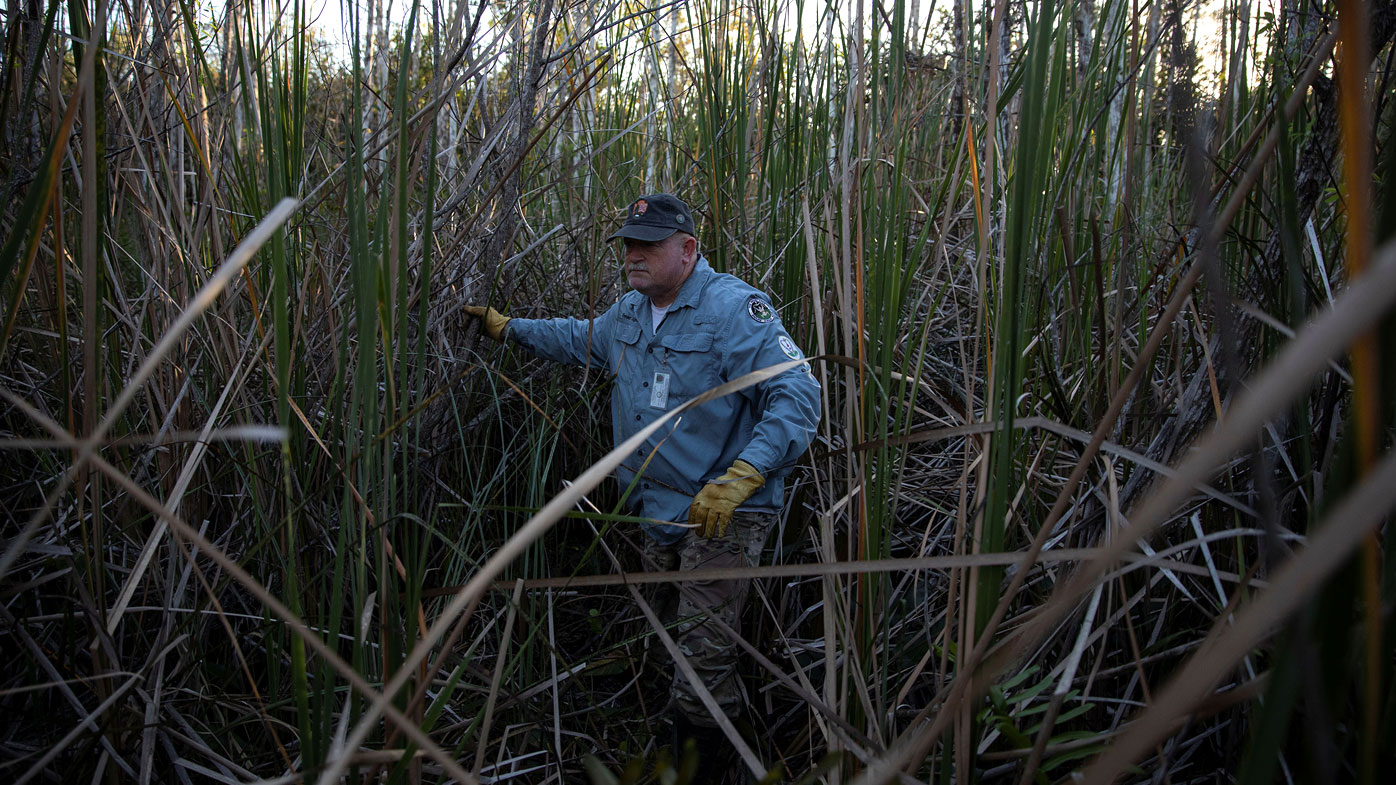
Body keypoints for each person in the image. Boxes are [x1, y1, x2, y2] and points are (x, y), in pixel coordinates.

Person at [465, 193, 820, 782]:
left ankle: (707, 772)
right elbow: (580, 339)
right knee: (664, 645)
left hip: (719, 514)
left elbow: (797, 394)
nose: (633, 254)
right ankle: (668, 755)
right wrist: (509, 329)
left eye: (649, 244)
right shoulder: (630, 312)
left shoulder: (733, 309)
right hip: (653, 510)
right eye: (629, 243)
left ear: (687, 249)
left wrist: (745, 474)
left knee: (702, 664)